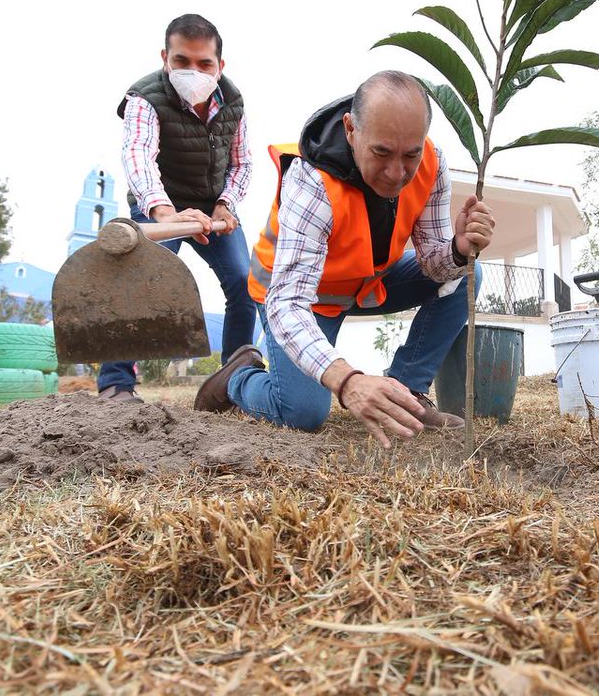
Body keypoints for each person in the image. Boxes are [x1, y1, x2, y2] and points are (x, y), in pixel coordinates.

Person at [193, 71, 495, 448]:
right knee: (302, 412)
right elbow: (287, 304)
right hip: (297, 297)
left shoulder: (433, 166)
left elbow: (436, 267)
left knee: (469, 271)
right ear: (351, 130)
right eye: (381, 153)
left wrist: (457, 249)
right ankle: (239, 379)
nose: (396, 173)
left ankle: (407, 393)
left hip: (366, 284)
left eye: (410, 154)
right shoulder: (312, 180)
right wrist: (347, 380)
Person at [96, 14, 257, 403]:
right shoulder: (144, 98)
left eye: (205, 64)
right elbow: (138, 156)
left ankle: (233, 381)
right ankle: (116, 384)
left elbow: (243, 163)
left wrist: (225, 204)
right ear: (165, 57)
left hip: (211, 208)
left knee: (244, 284)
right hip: (159, 206)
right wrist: (164, 213)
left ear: (220, 66)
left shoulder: (233, 102)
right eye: (182, 61)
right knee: (138, 280)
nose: (193, 71)